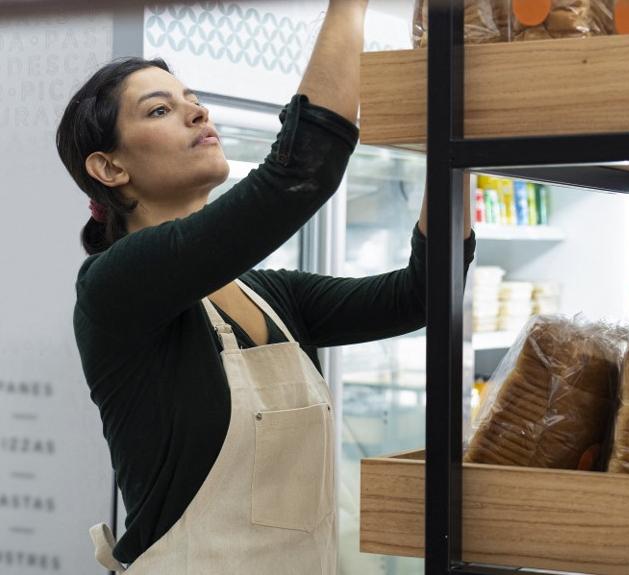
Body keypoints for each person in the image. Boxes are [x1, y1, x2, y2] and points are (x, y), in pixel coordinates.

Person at [59, 1, 475, 572]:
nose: (198, 113)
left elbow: (422, 294)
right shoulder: (115, 288)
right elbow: (301, 173)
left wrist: (456, 145)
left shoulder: (268, 296)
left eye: (193, 100)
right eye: (160, 109)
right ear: (109, 169)